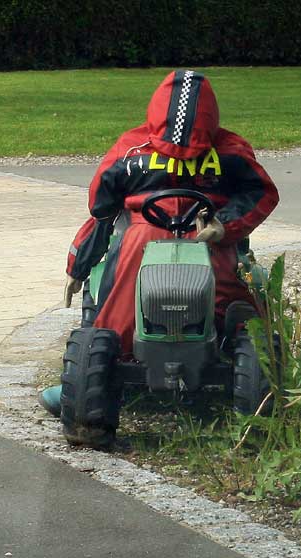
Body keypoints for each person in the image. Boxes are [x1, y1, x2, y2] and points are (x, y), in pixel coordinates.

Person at [38, 70, 279, 416]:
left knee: (240, 297)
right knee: (121, 286)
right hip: (143, 235)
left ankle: (240, 350)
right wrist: (78, 267)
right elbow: (102, 213)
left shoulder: (231, 153)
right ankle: (94, 366)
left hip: (208, 235)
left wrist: (224, 225)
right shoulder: (129, 148)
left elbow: (260, 193)